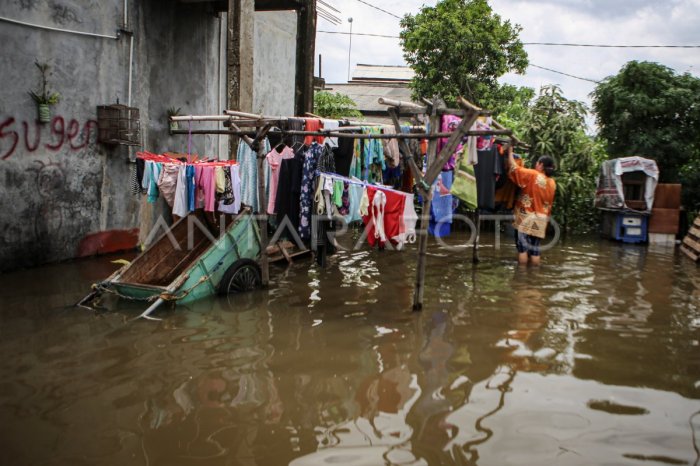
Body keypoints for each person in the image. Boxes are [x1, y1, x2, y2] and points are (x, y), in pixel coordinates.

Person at [507, 145, 556, 266]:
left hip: (526, 216)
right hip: (542, 219)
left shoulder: (533, 175)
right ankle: (534, 276)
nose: (536, 165)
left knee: (522, 248)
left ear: (541, 165)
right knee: (535, 249)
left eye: (537, 163)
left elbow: (515, 169)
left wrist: (509, 153)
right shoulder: (552, 183)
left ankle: (522, 277)